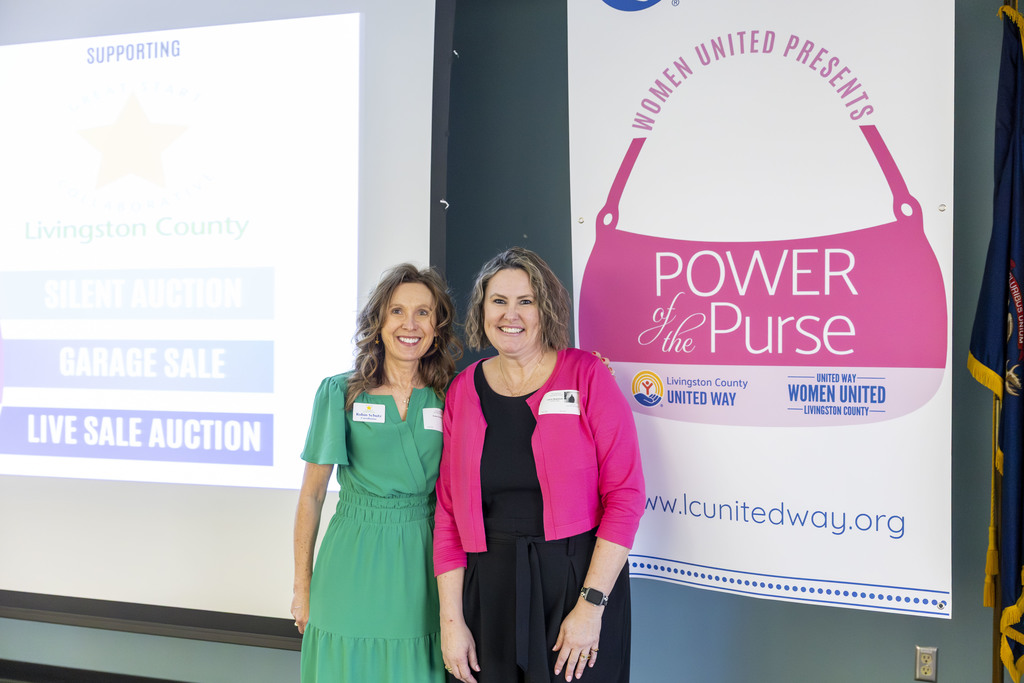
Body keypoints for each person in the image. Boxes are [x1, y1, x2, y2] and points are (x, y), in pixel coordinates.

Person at [434, 247, 645, 683]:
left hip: (575, 582)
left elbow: (626, 496)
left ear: (545, 308)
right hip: (487, 589)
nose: (511, 314)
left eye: (525, 301)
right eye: (499, 301)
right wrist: (451, 621)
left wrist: (590, 606)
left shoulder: (587, 376)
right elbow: (448, 512)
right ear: (482, 309)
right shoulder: (462, 390)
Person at [292, 263, 461, 682]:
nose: (410, 324)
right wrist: (302, 587)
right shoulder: (341, 392)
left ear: (437, 326)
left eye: (423, 312)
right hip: (352, 556)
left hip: (424, 557)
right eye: (397, 311)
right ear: (378, 322)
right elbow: (312, 495)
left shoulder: (454, 394)